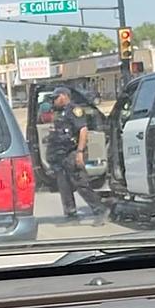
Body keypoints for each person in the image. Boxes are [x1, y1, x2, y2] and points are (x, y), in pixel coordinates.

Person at [47, 86, 107, 225]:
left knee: (81, 183)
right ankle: (71, 214)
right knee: (64, 186)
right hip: (60, 155)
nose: (53, 101)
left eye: (55, 98)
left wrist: (79, 152)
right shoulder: (59, 113)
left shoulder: (75, 110)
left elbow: (83, 131)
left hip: (72, 153)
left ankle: (100, 210)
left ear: (63, 96)